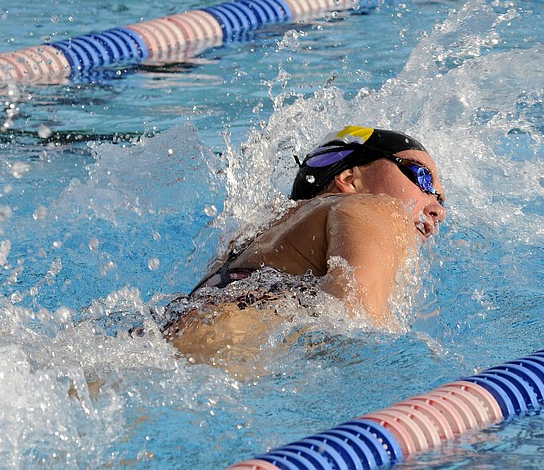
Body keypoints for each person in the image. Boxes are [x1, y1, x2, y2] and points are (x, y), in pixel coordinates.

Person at [162, 125, 447, 369]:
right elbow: (362, 331)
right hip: (211, 361)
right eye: (421, 177)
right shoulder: (373, 207)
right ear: (350, 179)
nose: (438, 209)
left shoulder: (254, 239)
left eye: (442, 200)